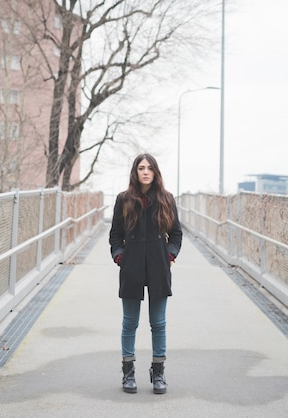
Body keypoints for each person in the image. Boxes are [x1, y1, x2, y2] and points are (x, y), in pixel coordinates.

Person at [109, 153, 182, 394]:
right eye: (141, 167)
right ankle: (128, 373)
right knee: (130, 323)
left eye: (150, 167)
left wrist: (169, 256)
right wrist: (121, 257)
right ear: (135, 172)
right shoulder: (124, 200)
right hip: (131, 268)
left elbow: (177, 235)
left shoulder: (166, 200)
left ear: (155, 172)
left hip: (159, 267)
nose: (145, 171)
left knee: (158, 323)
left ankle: (158, 372)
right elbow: (115, 235)